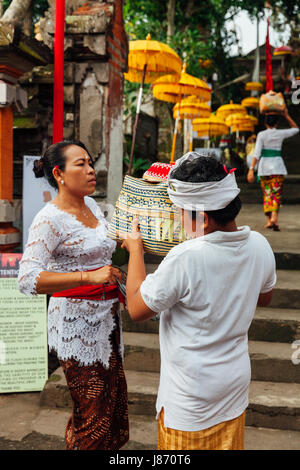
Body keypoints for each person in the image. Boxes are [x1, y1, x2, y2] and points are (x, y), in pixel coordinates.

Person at [121, 152, 276, 451]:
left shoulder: (186, 257)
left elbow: (137, 308)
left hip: (190, 400)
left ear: (202, 219)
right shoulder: (259, 244)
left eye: (180, 213)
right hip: (233, 387)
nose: (178, 220)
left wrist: (135, 251)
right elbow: (265, 297)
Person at [18, 141, 129, 450]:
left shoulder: (92, 206)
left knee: (110, 408)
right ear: (59, 173)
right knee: (91, 416)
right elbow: (27, 279)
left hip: (107, 319)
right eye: (80, 164)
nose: (91, 169)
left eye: (90, 162)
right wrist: (88, 276)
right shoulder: (48, 219)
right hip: (76, 325)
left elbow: (100, 251)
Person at [247, 108, 299, 231]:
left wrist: (251, 169)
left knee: (267, 194)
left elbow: (257, 154)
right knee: (276, 194)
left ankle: (269, 220)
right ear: (276, 123)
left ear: (265, 123)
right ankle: (274, 219)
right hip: (277, 167)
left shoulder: (262, 135)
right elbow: (296, 129)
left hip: (264, 168)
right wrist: (286, 115)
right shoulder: (280, 133)